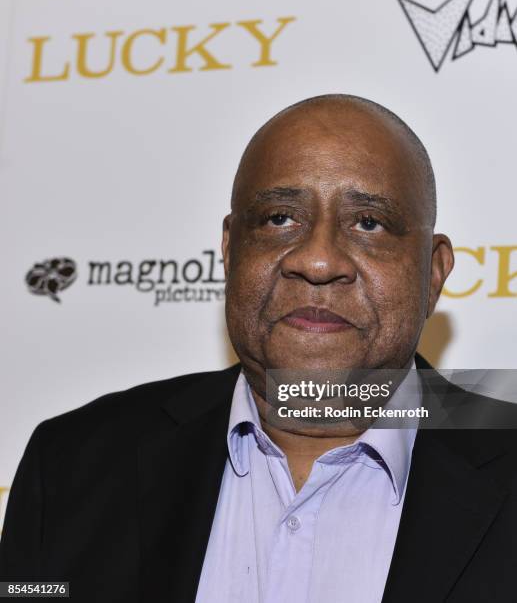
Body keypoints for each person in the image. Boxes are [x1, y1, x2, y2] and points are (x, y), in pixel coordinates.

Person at [1, 94, 517, 603]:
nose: (317, 261)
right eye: (279, 219)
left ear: (433, 271)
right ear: (230, 250)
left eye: (368, 223)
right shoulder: (72, 464)